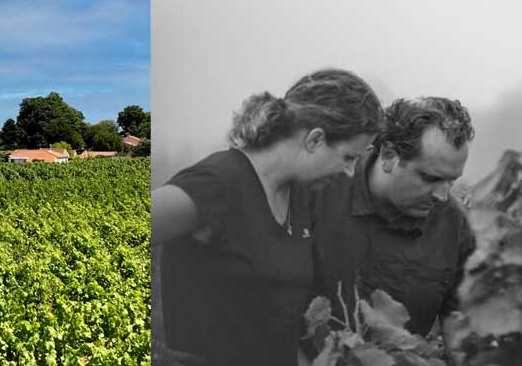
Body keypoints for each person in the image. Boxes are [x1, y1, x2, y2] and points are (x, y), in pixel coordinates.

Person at [151, 68, 384, 366]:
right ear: (315, 140)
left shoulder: (297, 196)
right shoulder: (217, 185)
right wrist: (158, 356)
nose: (350, 171)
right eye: (348, 157)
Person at [310, 97, 476, 338]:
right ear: (389, 155)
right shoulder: (317, 194)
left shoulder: (455, 227)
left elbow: (462, 334)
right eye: (430, 178)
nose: (442, 196)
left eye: (452, 180)